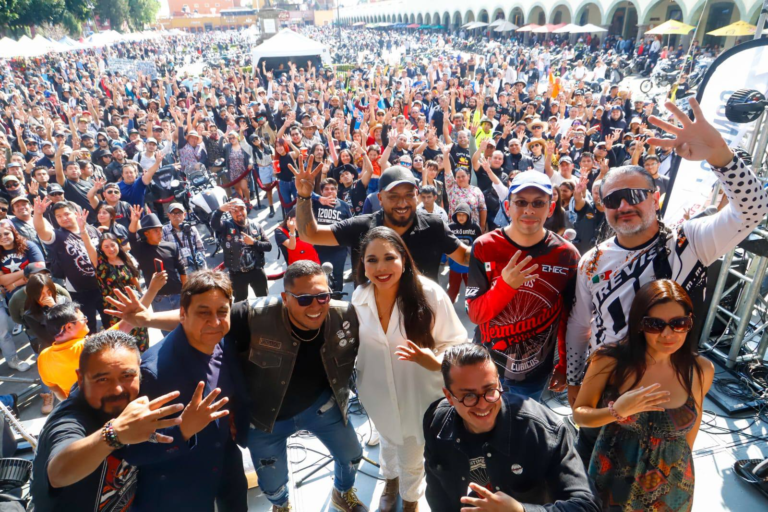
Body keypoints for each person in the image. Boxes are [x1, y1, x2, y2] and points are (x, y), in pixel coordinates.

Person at [566, 98, 768, 460]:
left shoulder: (691, 241)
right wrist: (574, 381)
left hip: (668, 388)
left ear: (655, 198)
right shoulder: (591, 261)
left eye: (635, 196)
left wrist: (719, 153)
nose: (624, 206)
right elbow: (581, 325)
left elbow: (754, 208)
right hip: (607, 388)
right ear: (603, 207)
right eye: (613, 200)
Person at [105, 262, 370, 512]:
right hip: (264, 423)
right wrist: (147, 320)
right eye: (303, 299)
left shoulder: (343, 314)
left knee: (353, 455)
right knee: (273, 484)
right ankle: (281, 504)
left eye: (322, 296)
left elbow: (210, 316)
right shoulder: (254, 316)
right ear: (285, 298)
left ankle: (342, 491)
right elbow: (206, 312)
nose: (315, 305)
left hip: (315, 411)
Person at [573, 280, 714, 511]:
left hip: (671, 485)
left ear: (690, 322)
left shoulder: (701, 370)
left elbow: (690, 434)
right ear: (639, 324)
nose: (668, 334)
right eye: (655, 325)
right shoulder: (609, 360)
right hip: (613, 480)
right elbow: (580, 415)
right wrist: (616, 412)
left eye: (679, 323)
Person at [353, 227, 467, 511]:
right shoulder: (359, 298)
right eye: (372, 260)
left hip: (417, 398)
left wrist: (436, 362)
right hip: (377, 395)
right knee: (388, 442)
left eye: (389, 258)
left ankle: (411, 501)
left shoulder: (429, 294)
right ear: (362, 264)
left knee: (412, 456)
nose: (381, 267)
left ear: (403, 258)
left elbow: (458, 346)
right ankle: (390, 480)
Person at [121, 270, 249, 511]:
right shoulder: (153, 372)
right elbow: (133, 451)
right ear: (182, 314)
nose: (215, 321)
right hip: (182, 483)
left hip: (227, 462)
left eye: (222, 312)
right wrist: (183, 430)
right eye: (203, 313)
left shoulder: (222, 340)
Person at [423, 343, 601, 512]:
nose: (483, 404)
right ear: (449, 396)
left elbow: (587, 505)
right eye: (469, 396)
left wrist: (521, 510)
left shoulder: (543, 430)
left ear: (500, 384)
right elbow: (437, 493)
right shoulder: (437, 423)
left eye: (490, 390)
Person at [31, 330, 186, 512]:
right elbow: (58, 473)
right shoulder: (69, 419)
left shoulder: (137, 398)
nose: (117, 389)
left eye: (127, 376)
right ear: (81, 378)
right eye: (102, 379)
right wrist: (114, 434)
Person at [466, 171, 580, 401]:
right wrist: (505, 286)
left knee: (522, 429)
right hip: (486, 367)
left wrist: (566, 364)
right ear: (507, 207)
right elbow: (476, 314)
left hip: (534, 375)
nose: (529, 210)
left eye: (538, 203)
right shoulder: (485, 246)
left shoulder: (566, 255)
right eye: (521, 202)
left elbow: (570, 318)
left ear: (550, 208)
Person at [296, 160, 469, 282]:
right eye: (393, 196)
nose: (402, 203)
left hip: (421, 323)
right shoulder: (361, 227)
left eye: (409, 195)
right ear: (380, 198)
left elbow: (464, 256)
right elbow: (309, 234)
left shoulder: (434, 226)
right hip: (375, 326)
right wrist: (304, 196)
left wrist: (492, 245)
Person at [78, 211, 155, 352]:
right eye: (106, 246)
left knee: (141, 335)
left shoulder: (126, 259)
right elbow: (88, 244)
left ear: (118, 245)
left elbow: (134, 281)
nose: (110, 249)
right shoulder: (99, 262)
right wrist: (83, 229)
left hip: (134, 304)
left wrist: (143, 298)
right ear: (101, 248)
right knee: (123, 341)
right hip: (116, 309)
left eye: (113, 245)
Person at [33, 198, 104, 332]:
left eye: (66, 214)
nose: (63, 218)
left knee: (111, 319)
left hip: (103, 284)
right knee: (87, 326)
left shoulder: (92, 230)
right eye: (58, 216)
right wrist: (38, 214)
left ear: (76, 213)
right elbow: (41, 230)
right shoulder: (58, 235)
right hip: (80, 290)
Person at [128, 207, 187, 320]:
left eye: (160, 229)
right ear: (146, 233)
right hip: (158, 299)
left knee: (186, 326)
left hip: (178, 294)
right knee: (167, 332)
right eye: (155, 230)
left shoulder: (171, 246)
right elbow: (131, 236)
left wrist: (185, 291)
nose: (159, 233)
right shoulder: (140, 249)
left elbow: (182, 269)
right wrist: (135, 221)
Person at [0, 219, 44, 371]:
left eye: (6, 233)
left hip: (39, 292)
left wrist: (13, 283)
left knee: (50, 323)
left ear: (13, 232)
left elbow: (39, 268)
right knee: (31, 328)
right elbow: (1, 279)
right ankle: (42, 358)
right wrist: (27, 271)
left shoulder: (28, 245)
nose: (4, 237)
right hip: (17, 300)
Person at [210, 198, 272, 301]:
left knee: (263, 298)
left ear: (246, 209)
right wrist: (219, 211)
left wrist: (254, 243)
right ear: (230, 212)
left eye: (241, 209)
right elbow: (214, 224)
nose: (239, 213)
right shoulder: (226, 226)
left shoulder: (256, 226)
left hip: (257, 270)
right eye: (235, 210)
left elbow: (268, 246)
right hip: (237, 274)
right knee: (240, 301)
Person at [312, 178, 352, 293]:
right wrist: (318, 198)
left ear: (337, 191)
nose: (330, 191)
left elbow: (350, 226)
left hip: (338, 249)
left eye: (333, 189)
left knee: (337, 276)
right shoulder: (315, 203)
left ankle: (337, 298)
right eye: (326, 189)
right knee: (318, 276)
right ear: (321, 191)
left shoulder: (344, 206)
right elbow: (301, 193)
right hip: (319, 248)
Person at [447, 203, 482, 303]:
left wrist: (479, 261)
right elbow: (445, 244)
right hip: (454, 265)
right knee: (453, 288)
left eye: (463, 215)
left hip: (470, 265)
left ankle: (473, 307)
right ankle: (448, 308)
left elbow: (479, 245)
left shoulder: (475, 228)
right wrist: (443, 259)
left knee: (471, 288)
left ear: (468, 215)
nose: (461, 217)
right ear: (455, 216)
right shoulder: (450, 227)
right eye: (459, 215)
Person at [161, 202, 207, 272]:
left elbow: (200, 248)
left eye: (179, 213)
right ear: (168, 215)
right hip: (178, 270)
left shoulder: (191, 228)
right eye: (173, 213)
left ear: (184, 214)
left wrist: (202, 263)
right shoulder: (164, 231)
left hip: (195, 265)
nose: (176, 216)